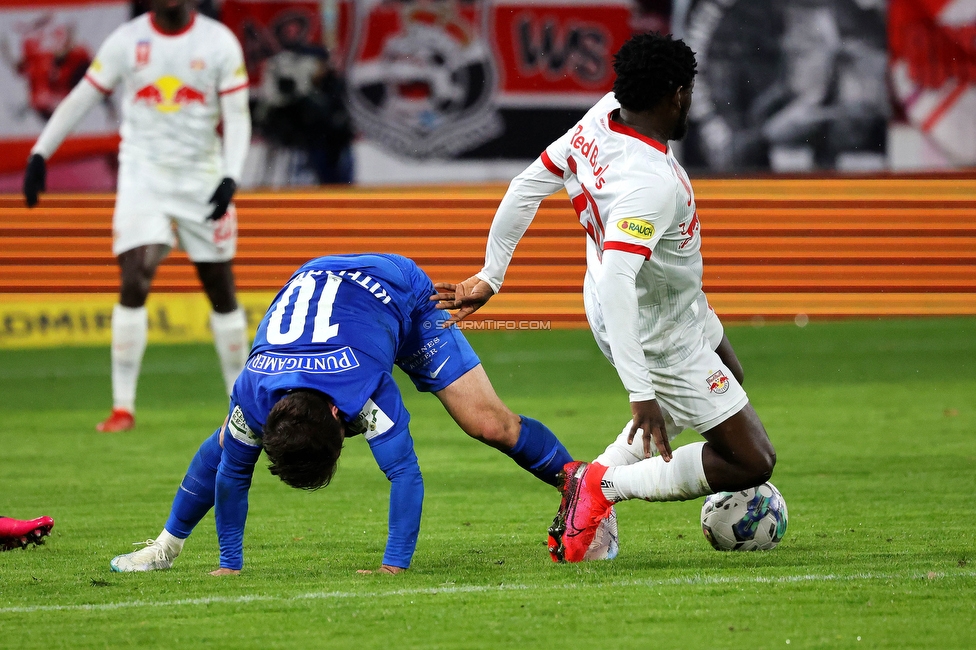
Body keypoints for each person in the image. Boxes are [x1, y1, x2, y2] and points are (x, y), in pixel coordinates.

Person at [432, 32, 776, 563]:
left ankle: (588, 487)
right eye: (688, 89)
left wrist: (491, 274)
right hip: (655, 326)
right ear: (675, 95)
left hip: (672, 302)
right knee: (752, 460)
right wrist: (640, 391)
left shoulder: (604, 115)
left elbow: (528, 183)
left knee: (731, 375)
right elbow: (619, 276)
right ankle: (601, 486)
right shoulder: (651, 182)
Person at [109, 253, 575, 575]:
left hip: (399, 292)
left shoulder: (366, 387)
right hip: (320, 289)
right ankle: (165, 549)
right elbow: (233, 473)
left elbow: (405, 473)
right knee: (229, 445)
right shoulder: (254, 391)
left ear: (340, 416)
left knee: (489, 424)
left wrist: (393, 565)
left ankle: (581, 487)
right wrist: (229, 564)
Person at [22, 0, 252, 433]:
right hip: (142, 180)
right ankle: (122, 407)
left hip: (201, 180)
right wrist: (40, 152)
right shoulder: (127, 41)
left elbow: (238, 116)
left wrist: (230, 177)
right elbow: (82, 97)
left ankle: (240, 405)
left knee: (220, 288)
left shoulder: (218, 42)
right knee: (135, 275)